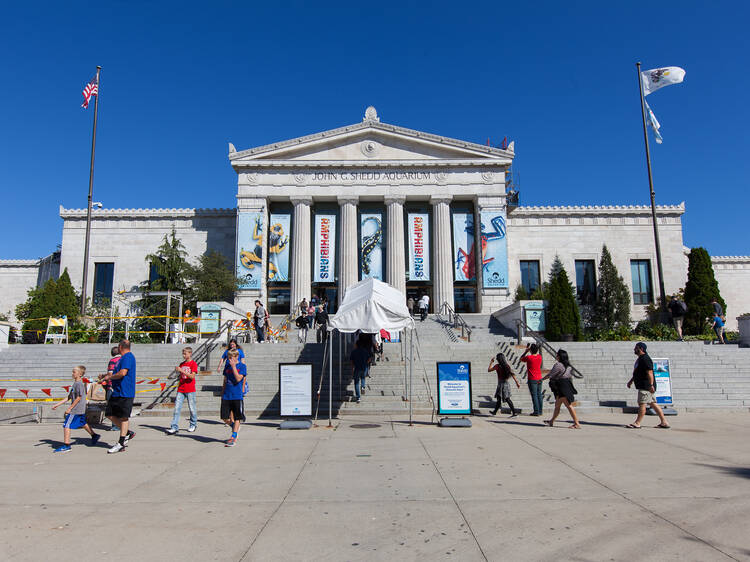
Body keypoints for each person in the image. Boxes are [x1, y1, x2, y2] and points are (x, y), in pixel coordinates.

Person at [99, 340, 137, 454]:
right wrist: (105, 376)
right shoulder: (122, 358)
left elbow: (122, 373)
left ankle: (121, 443)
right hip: (117, 391)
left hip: (125, 392)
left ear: (120, 347)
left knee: (124, 417)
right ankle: (127, 433)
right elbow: (116, 373)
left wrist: (110, 378)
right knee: (109, 414)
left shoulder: (128, 357)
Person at [52, 366, 100, 452]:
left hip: (76, 409)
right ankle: (94, 435)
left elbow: (79, 397)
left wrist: (70, 408)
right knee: (83, 423)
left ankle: (66, 445)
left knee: (67, 425)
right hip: (79, 409)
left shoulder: (79, 384)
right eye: (72, 372)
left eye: (74, 372)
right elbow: (69, 397)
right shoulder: (75, 384)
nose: (72, 373)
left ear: (80, 374)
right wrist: (57, 404)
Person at [626, 342, 670, 429]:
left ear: (641, 349)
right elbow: (638, 372)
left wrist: (651, 385)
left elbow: (650, 372)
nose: (634, 349)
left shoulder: (645, 359)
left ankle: (637, 423)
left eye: (636, 348)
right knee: (653, 403)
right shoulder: (640, 359)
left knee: (642, 404)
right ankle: (664, 422)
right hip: (646, 386)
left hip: (645, 386)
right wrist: (631, 381)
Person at [542, 350, 581, 429]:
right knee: (557, 405)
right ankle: (551, 421)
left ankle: (576, 423)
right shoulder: (569, 366)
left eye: (557, 355)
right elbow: (569, 376)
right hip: (566, 385)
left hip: (561, 386)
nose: (556, 356)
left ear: (559, 356)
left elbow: (551, 374)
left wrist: (542, 379)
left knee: (568, 405)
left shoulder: (558, 365)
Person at [167, 347, 198, 435]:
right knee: (177, 408)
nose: (184, 355)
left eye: (185, 353)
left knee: (192, 409)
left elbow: (192, 376)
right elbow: (180, 375)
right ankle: (174, 426)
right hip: (181, 389)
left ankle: (193, 424)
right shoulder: (182, 364)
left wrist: (182, 371)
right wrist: (177, 371)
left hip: (190, 389)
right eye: (183, 354)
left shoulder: (193, 364)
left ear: (190, 354)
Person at [221, 349, 246, 447]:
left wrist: (234, 367)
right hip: (227, 395)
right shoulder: (227, 366)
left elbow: (239, 378)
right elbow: (225, 379)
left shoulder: (242, 366)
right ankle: (234, 427)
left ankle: (233, 436)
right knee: (224, 417)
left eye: (232, 358)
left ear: (236, 357)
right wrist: (222, 392)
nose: (230, 360)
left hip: (236, 395)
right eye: (229, 358)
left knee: (237, 417)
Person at [520, 343, 544, 416]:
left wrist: (526, 351)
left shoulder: (529, 357)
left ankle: (536, 411)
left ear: (531, 350)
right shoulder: (540, 357)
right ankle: (540, 411)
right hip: (539, 377)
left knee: (534, 395)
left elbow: (521, 359)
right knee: (539, 394)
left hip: (532, 378)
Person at [349, 338, 372, 403]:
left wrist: (352, 368)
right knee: (363, 378)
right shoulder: (365, 351)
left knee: (356, 382)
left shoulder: (354, 352)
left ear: (356, 345)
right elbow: (369, 359)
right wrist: (366, 363)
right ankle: (363, 387)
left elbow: (351, 361)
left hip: (357, 368)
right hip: (364, 367)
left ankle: (358, 397)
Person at [104, 345, 121, 430]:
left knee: (112, 407)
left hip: (112, 386)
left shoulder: (113, 361)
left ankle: (115, 426)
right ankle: (120, 425)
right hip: (121, 387)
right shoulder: (123, 360)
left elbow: (110, 374)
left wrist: (105, 378)